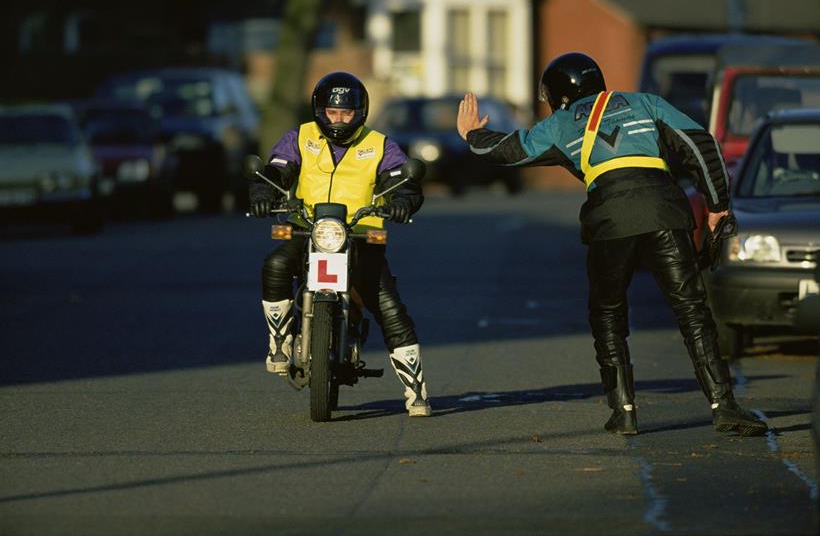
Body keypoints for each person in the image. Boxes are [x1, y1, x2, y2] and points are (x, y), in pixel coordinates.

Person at [456, 52, 767, 436]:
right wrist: (718, 206)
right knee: (692, 310)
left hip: (610, 220)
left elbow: (508, 149)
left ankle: (623, 410)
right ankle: (725, 406)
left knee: (607, 313)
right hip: (664, 212)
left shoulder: (559, 124)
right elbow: (701, 143)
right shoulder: (645, 103)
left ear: (558, 94)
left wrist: (472, 135)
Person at [248, 71, 431, 417]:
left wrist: (403, 200)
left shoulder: (379, 144)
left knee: (389, 307)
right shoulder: (300, 137)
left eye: (347, 113)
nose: (339, 119)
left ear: (360, 112)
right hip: (307, 230)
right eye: (332, 112)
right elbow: (277, 169)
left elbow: (401, 178)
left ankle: (416, 391)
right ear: (320, 110)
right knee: (275, 265)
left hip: (361, 236)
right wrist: (263, 190)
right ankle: (279, 344)